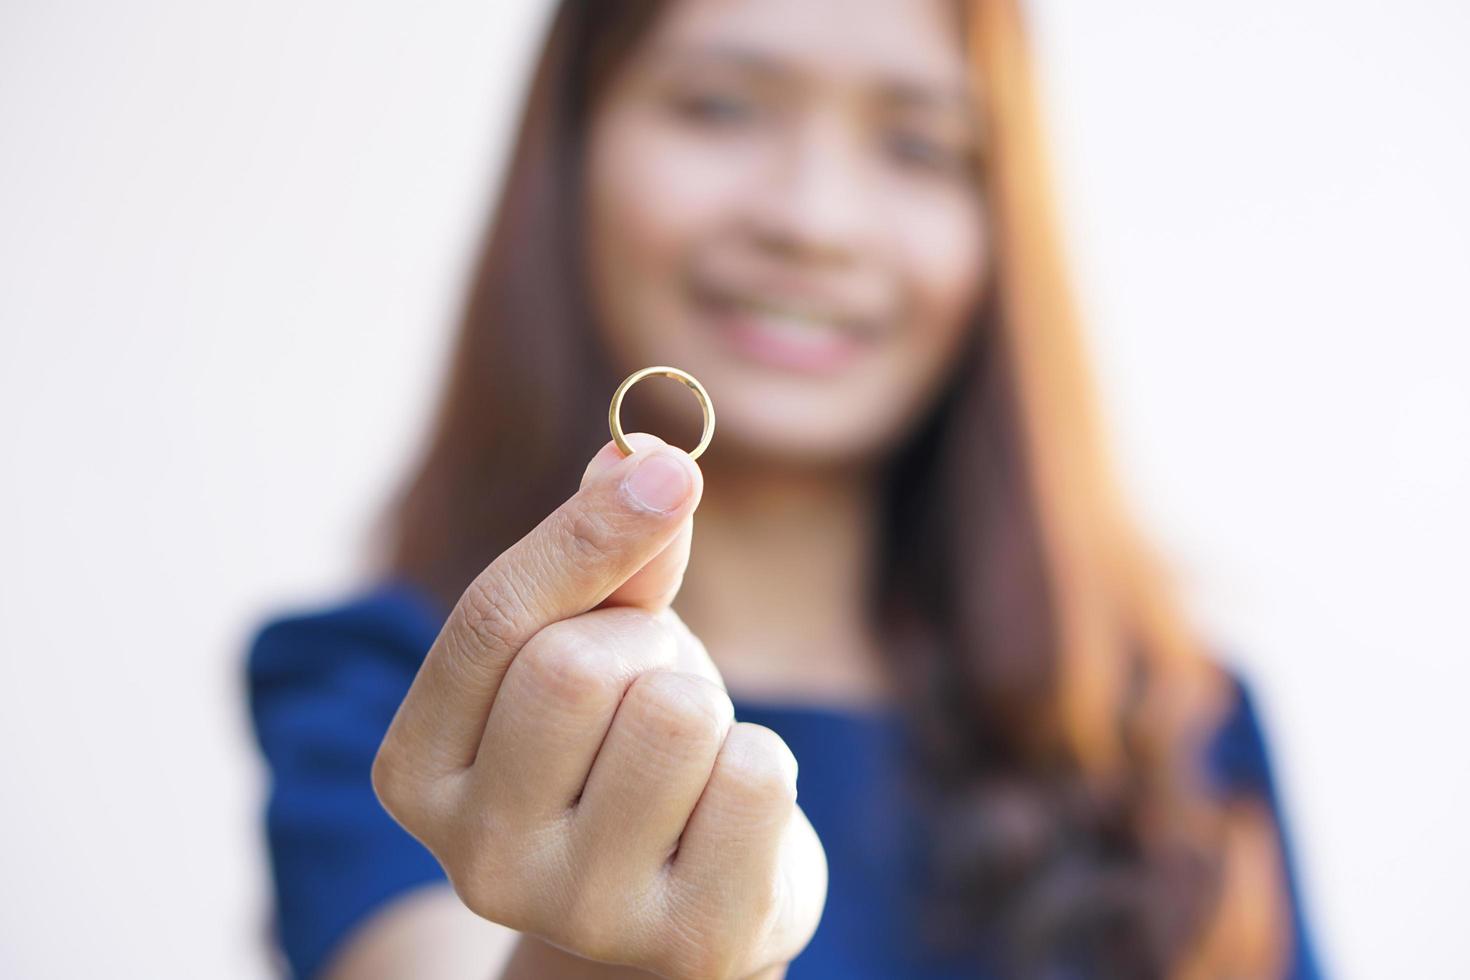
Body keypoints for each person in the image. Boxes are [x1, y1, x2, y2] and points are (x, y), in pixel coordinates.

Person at [245, 1, 1323, 977]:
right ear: (574, 150)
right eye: (719, 107)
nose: (814, 219)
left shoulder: (1177, 726)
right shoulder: (391, 690)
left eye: (919, 144)